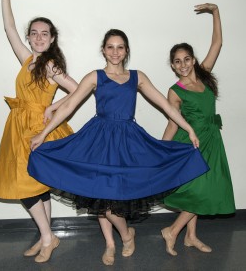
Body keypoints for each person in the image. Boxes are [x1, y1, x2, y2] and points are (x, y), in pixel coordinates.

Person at [28, 28, 209, 265]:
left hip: (127, 141)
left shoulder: (137, 76)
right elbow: (69, 105)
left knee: (112, 198)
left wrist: (189, 128)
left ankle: (126, 235)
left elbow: (166, 105)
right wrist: (44, 133)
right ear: (103, 50)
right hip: (98, 139)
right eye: (110, 47)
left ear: (126, 51)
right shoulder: (95, 76)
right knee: (99, 195)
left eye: (120, 47)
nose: (115, 52)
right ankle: (113, 243)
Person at [0, 0, 78, 263]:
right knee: (35, 186)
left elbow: (78, 90)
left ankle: (48, 237)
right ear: (29, 37)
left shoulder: (51, 65)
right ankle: (46, 237)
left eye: (45, 34)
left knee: (27, 186)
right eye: (34, 33)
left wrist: (54, 107)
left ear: (52, 39)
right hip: (17, 126)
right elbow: (9, 28)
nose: (39, 38)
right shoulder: (26, 59)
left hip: (38, 129)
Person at [161, 3, 235, 256]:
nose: (182, 65)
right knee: (200, 190)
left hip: (212, 140)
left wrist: (215, 12)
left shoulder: (204, 76)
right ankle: (172, 231)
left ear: (193, 59)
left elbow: (217, 43)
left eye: (186, 59)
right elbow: (172, 122)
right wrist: (162, 151)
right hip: (190, 144)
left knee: (199, 189)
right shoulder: (175, 91)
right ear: (172, 65)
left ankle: (190, 236)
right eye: (177, 62)